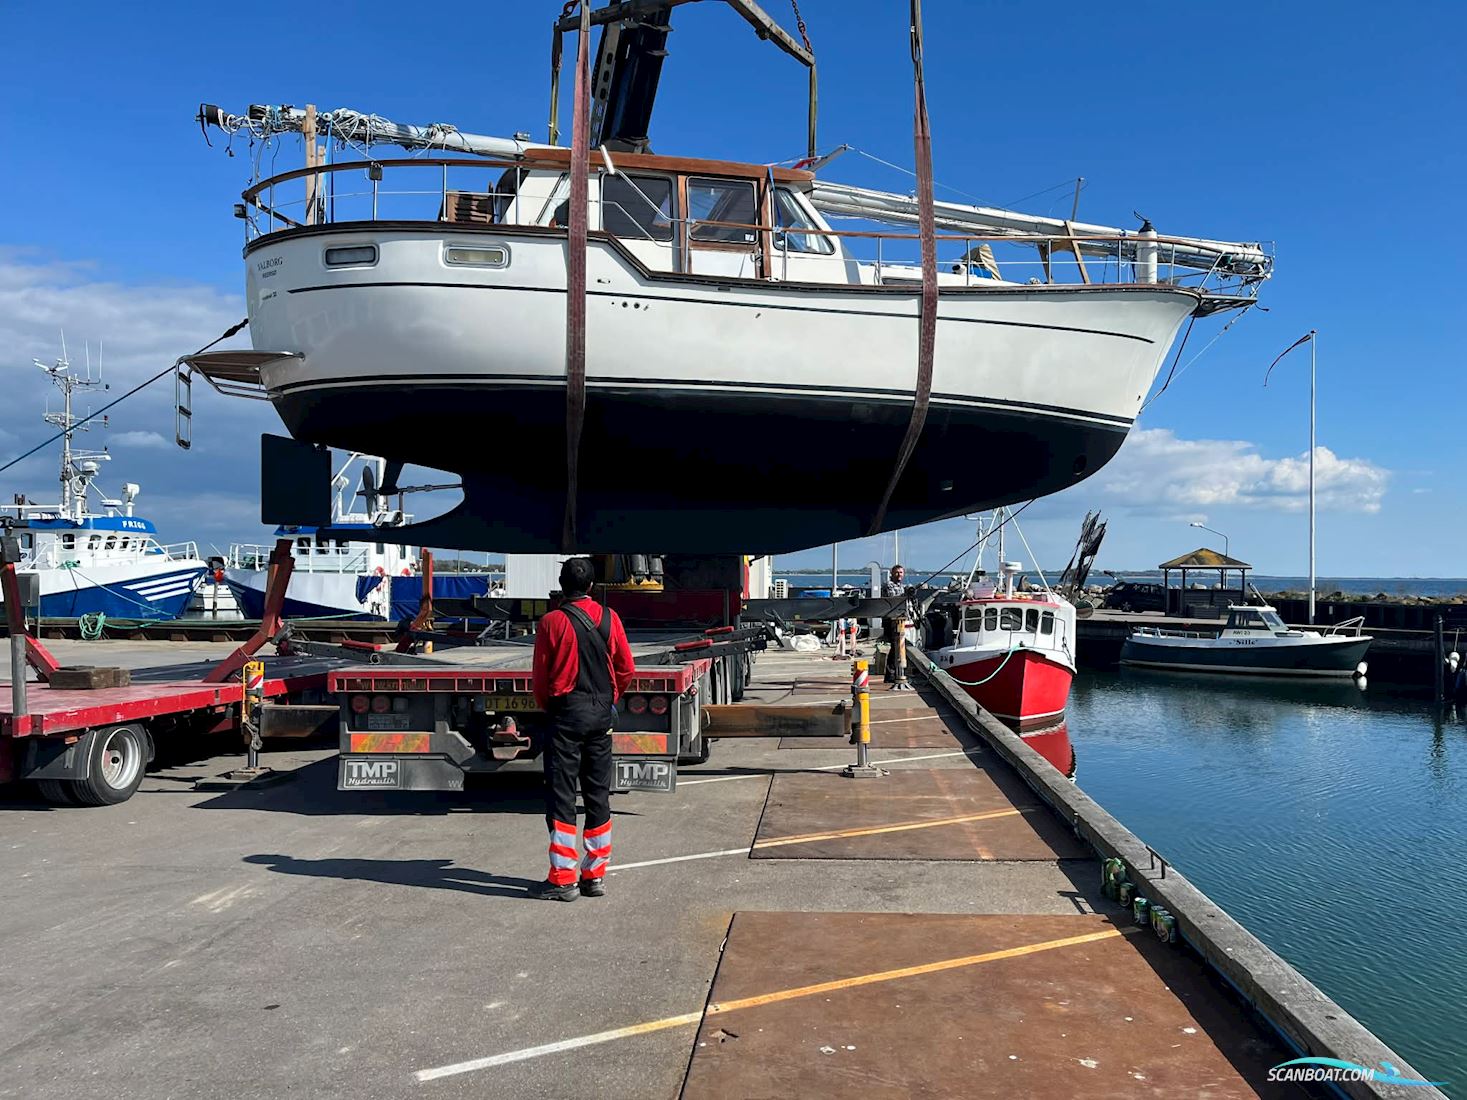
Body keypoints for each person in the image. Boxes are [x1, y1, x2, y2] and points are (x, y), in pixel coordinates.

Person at [531, 557, 635, 902]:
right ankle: (594, 876)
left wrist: (549, 707)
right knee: (598, 795)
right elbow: (626, 668)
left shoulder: (551, 622)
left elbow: (541, 677)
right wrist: (608, 699)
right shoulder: (610, 617)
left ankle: (563, 879)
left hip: (565, 715)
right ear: (592, 586)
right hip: (600, 715)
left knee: (562, 797)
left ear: (561, 586)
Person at [881, 564, 909, 682]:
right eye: (897, 572)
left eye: (901, 572)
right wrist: (906, 595)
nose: (899, 575)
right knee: (895, 646)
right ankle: (890, 674)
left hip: (899, 619)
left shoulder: (901, 586)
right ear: (892, 574)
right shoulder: (889, 585)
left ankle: (894, 673)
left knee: (898, 646)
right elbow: (893, 598)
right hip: (890, 620)